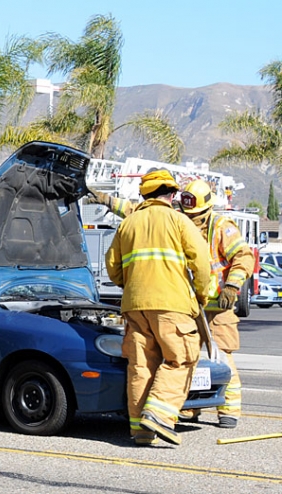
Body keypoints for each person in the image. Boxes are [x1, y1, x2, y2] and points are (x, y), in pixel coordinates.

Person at [105, 170, 212, 446]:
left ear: (144, 195)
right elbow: (200, 262)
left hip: (135, 306)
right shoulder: (178, 221)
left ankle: (141, 431)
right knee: (182, 358)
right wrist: (201, 295)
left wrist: (130, 285)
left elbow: (113, 267)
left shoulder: (128, 224)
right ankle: (160, 414)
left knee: (141, 365)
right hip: (172, 304)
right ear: (172, 195)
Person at [176, 180, 254, 429]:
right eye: (189, 214)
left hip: (218, 309)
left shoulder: (222, 227)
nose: (193, 219)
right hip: (190, 307)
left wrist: (232, 286)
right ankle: (191, 408)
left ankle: (228, 411)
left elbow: (243, 257)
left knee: (222, 358)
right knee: (188, 358)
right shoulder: (179, 223)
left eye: (197, 215)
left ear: (207, 208)